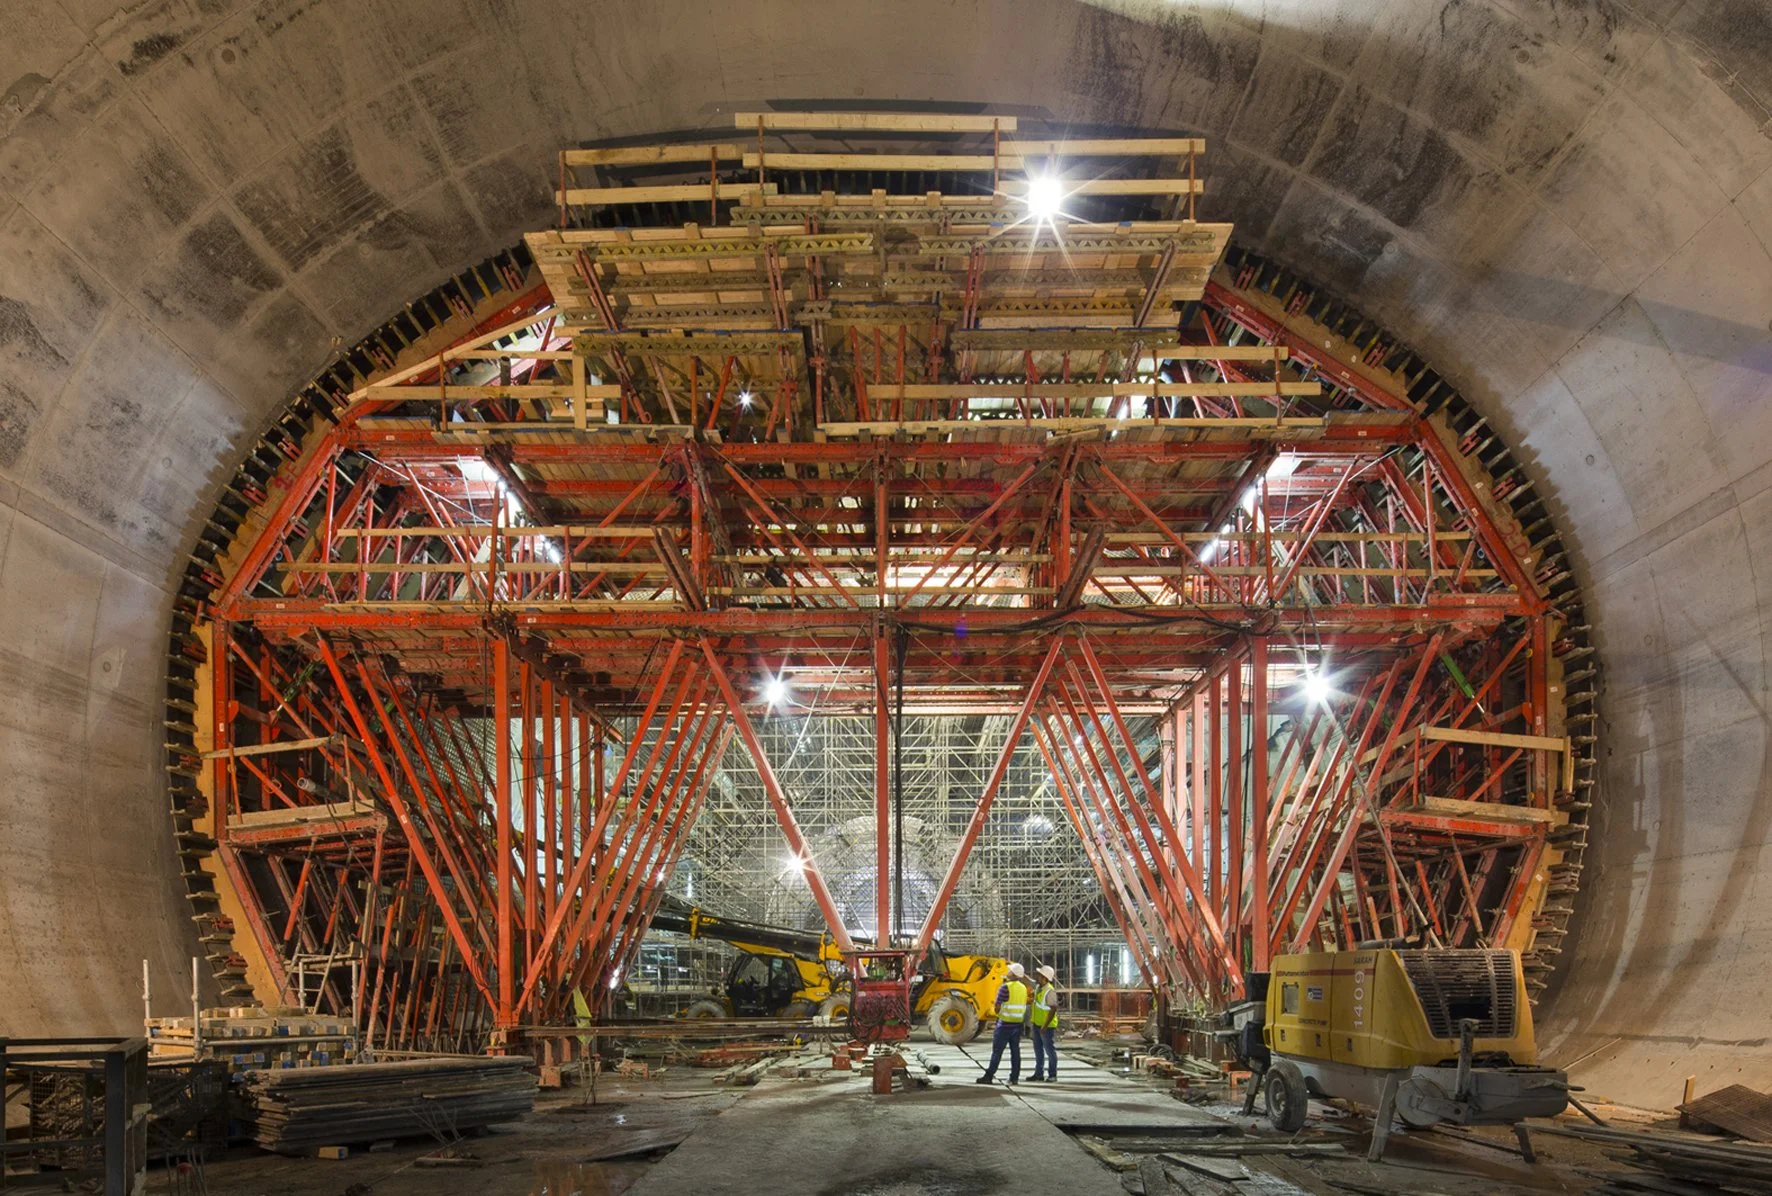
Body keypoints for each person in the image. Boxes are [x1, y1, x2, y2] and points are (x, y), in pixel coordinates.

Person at [974, 962, 1031, 1085]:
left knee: (997, 1052)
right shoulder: (1023, 988)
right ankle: (1014, 1078)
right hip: (1017, 1024)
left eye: (1010, 970)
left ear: (1014, 974)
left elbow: (997, 1007)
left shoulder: (1005, 987)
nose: (1007, 972)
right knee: (1015, 1052)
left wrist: (997, 1012)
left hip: (1004, 1025)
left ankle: (988, 1076)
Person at [1028, 964, 1060, 1082]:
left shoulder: (1050, 991)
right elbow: (1028, 980)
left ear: (1045, 978)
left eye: (1040, 975)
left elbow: (1053, 1009)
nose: (1037, 977)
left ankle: (1052, 1075)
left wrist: (1045, 1025)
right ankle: (1038, 1074)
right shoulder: (1038, 988)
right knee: (1038, 1051)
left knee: (1050, 1051)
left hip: (1046, 1027)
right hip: (1037, 1024)